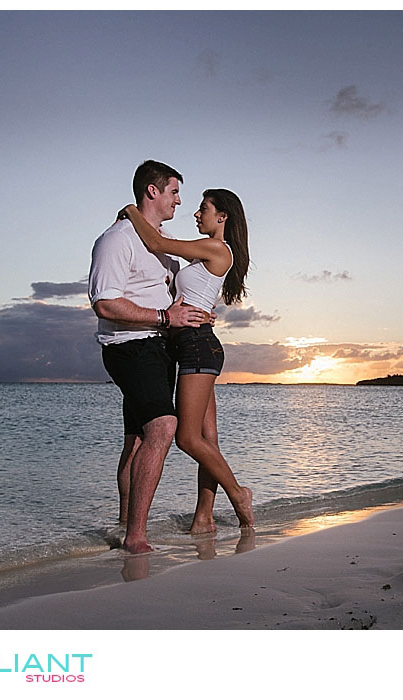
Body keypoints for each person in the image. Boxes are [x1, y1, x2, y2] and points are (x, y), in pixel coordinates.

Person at [88, 160, 207, 554]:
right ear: (152, 191)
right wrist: (164, 318)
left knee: (138, 438)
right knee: (163, 426)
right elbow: (105, 304)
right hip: (129, 346)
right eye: (174, 191)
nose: (179, 201)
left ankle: (125, 522)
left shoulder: (161, 240)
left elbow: (168, 296)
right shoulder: (117, 239)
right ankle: (136, 537)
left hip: (158, 346)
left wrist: (192, 314)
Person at [120, 188, 254, 534]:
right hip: (193, 345)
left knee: (187, 439)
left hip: (197, 348)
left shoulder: (216, 248)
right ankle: (203, 518)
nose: (196, 214)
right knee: (207, 438)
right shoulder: (205, 255)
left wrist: (132, 210)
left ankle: (238, 493)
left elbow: (156, 243)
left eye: (203, 208)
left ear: (222, 216)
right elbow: (194, 294)